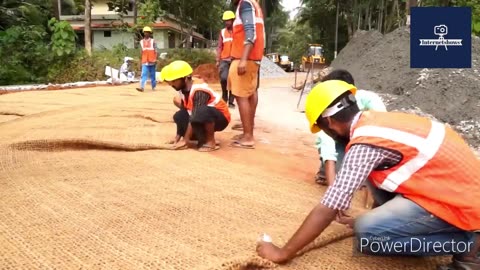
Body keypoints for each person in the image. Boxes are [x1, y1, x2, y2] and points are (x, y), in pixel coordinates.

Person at [256, 80, 480, 269]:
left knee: (370, 235)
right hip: (453, 190)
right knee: (374, 181)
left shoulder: (366, 142)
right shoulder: (375, 122)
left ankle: (468, 244)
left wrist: (282, 253)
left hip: (462, 205)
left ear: (330, 122)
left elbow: (329, 206)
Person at [314, 69, 387, 186]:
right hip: (342, 143)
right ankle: (325, 171)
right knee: (341, 177)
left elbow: (382, 131)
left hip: (365, 141)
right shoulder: (327, 111)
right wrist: (333, 190)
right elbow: (327, 146)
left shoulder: (369, 99)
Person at [161, 60, 231, 152]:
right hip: (202, 115)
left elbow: (195, 114)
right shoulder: (182, 88)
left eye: (173, 81)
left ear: (185, 78)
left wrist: (186, 140)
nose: (171, 84)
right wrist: (178, 137)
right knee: (179, 115)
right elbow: (185, 112)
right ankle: (200, 138)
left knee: (200, 112)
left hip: (220, 118)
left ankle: (210, 142)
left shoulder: (199, 90)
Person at [227, 0, 265, 149]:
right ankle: (248, 132)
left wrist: (243, 59)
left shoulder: (245, 5)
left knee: (241, 95)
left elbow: (250, 33)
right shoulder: (255, 5)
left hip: (245, 58)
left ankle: (248, 136)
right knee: (250, 93)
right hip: (253, 58)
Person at [216, 10, 236, 108]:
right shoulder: (222, 32)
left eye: (228, 20)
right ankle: (224, 97)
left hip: (235, 60)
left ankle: (231, 102)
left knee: (233, 80)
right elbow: (219, 46)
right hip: (224, 59)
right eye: (225, 21)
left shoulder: (238, 31)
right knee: (223, 78)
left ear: (233, 20)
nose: (227, 22)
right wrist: (217, 59)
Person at [136, 26, 157, 92]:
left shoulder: (153, 41)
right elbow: (141, 52)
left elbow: (156, 50)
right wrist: (140, 61)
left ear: (150, 33)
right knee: (144, 74)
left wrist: (156, 59)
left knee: (152, 76)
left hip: (152, 61)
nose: (146, 33)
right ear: (143, 33)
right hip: (145, 61)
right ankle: (142, 87)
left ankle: (153, 87)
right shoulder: (141, 42)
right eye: (145, 32)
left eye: (148, 32)